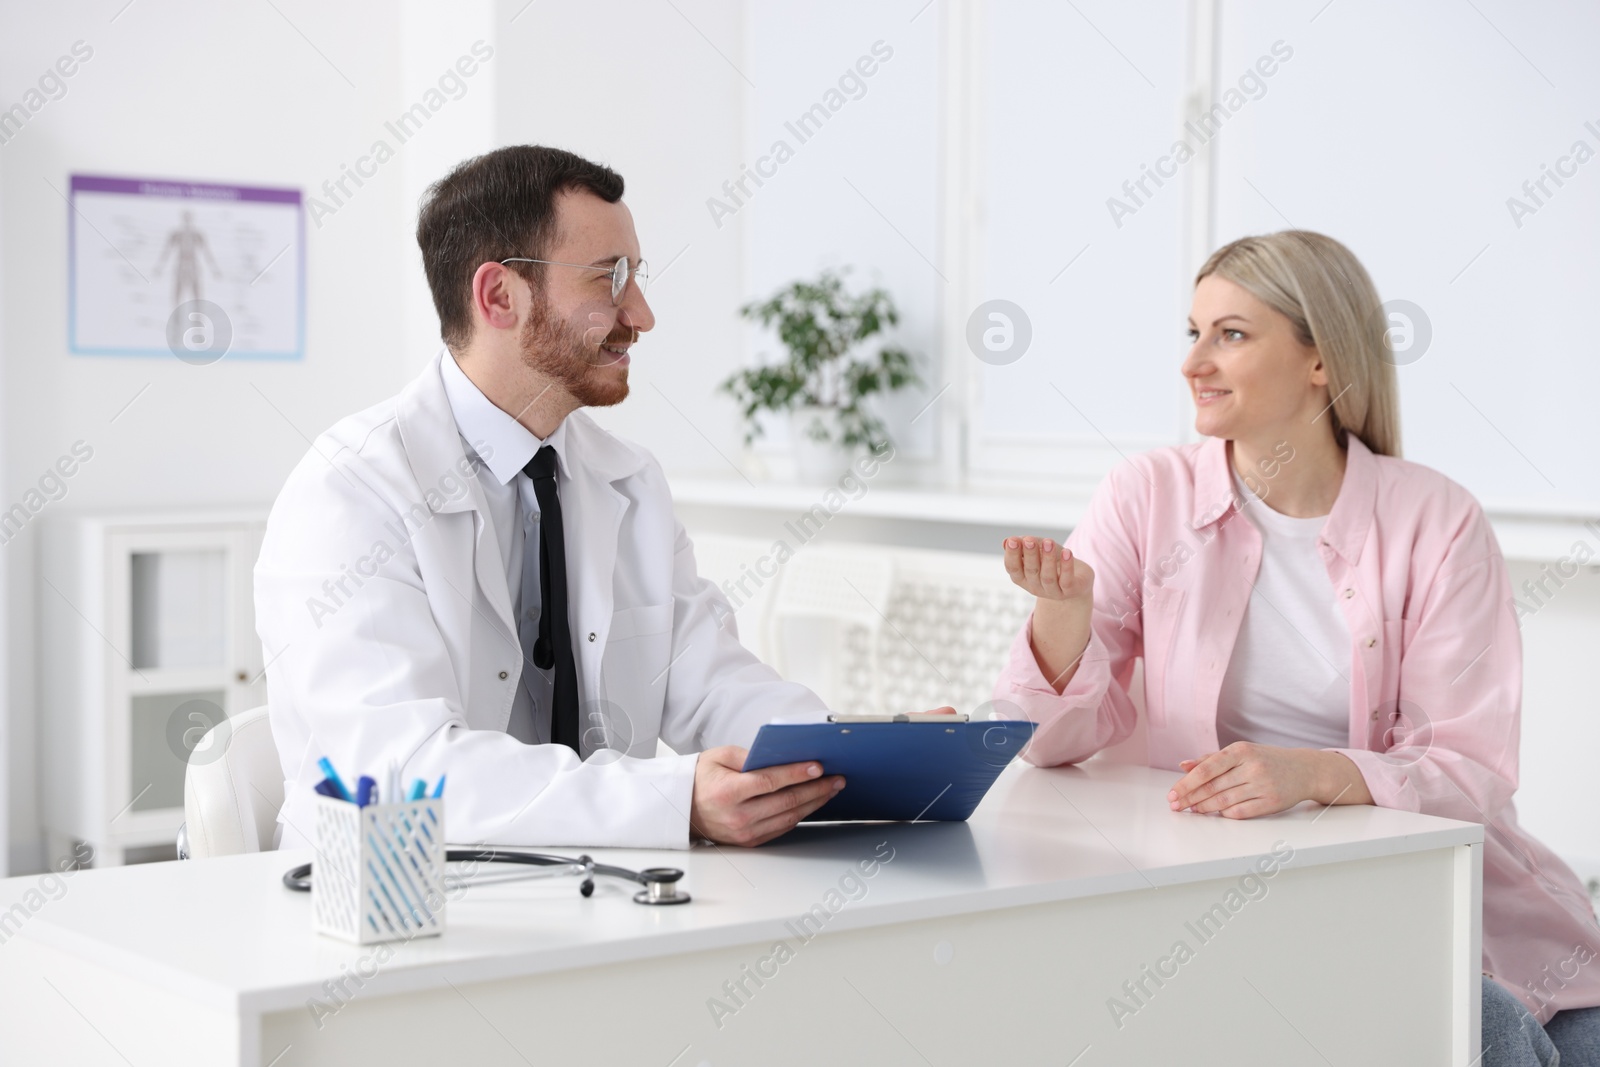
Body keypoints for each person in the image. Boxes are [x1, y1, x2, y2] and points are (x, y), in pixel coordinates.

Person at [994, 230, 1600, 1064]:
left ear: (1321, 360)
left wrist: (1313, 772)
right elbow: (1047, 746)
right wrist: (1064, 617)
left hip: (1442, 886)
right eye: (1192, 332)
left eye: (1230, 334)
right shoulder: (1147, 496)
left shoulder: (1437, 520)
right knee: (1490, 1032)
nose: (1193, 362)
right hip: (1232, 893)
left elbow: (1470, 766)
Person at [255, 145, 903, 852]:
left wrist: (854, 758)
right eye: (609, 278)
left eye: (637, 277)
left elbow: (710, 680)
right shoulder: (351, 490)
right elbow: (403, 768)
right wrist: (674, 797)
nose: (643, 314)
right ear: (499, 296)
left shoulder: (628, 480)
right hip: (394, 910)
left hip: (587, 895)